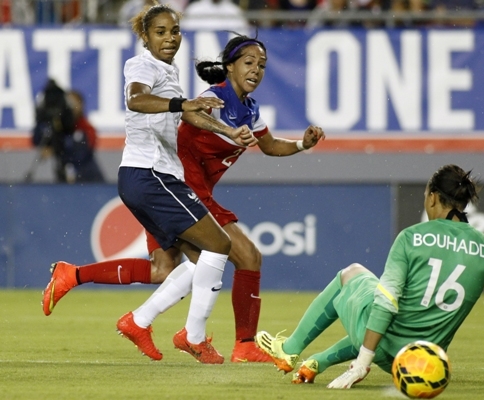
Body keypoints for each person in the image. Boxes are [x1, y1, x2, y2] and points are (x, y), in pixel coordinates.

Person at [41, 33, 325, 363]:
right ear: (229, 67)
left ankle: (78, 279)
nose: (256, 70)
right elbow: (189, 115)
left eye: (261, 65)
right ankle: (232, 343)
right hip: (180, 188)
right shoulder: (213, 98)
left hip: (170, 189)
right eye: (249, 63)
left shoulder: (249, 110)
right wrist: (227, 132)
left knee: (165, 268)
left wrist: (303, 144)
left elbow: (271, 145)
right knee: (246, 255)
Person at [255, 164, 484, 390]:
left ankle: (290, 348)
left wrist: (361, 364)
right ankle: (319, 361)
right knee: (385, 315)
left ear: (433, 196)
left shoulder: (413, 237)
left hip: (380, 348)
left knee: (352, 275)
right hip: (420, 359)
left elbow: (385, 304)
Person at [62, 90, 106, 183]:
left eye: (73, 104)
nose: (71, 108)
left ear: (81, 105)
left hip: (89, 181)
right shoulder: (58, 129)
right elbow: (36, 139)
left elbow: (80, 155)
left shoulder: (86, 128)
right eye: (68, 104)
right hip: (62, 182)